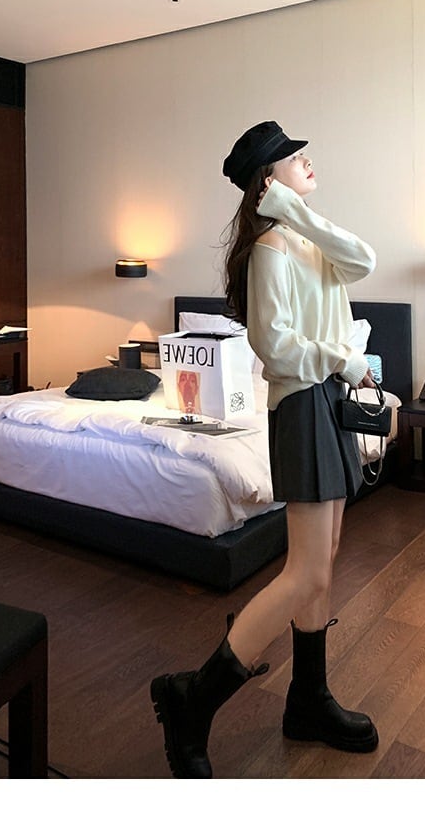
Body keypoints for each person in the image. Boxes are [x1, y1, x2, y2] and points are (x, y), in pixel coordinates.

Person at [150, 120, 379, 778]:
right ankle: (193, 698)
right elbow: (273, 348)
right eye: (292, 159)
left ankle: (308, 699)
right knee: (304, 572)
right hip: (303, 404)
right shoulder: (270, 250)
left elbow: (363, 259)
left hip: (329, 403)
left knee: (324, 562)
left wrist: (297, 211)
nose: (307, 161)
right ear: (267, 181)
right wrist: (343, 358)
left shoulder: (305, 238)